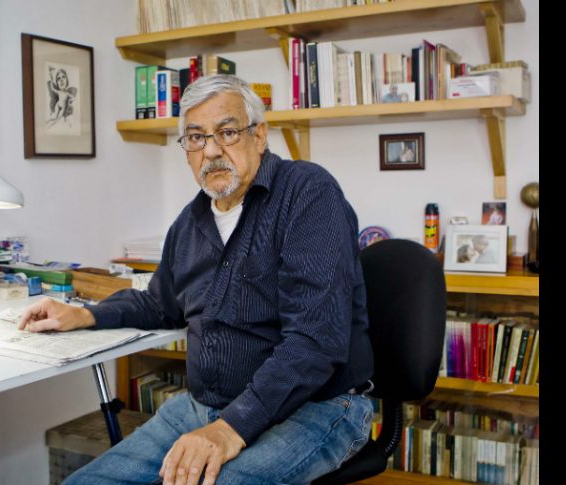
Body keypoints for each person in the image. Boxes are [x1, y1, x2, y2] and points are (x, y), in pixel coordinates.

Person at [19, 74, 374, 485]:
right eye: (195, 137)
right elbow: (161, 303)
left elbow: (314, 341)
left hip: (316, 408)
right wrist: (85, 314)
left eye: (227, 132)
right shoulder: (190, 222)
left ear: (259, 136)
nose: (212, 150)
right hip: (204, 408)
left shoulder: (308, 193)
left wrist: (229, 429)